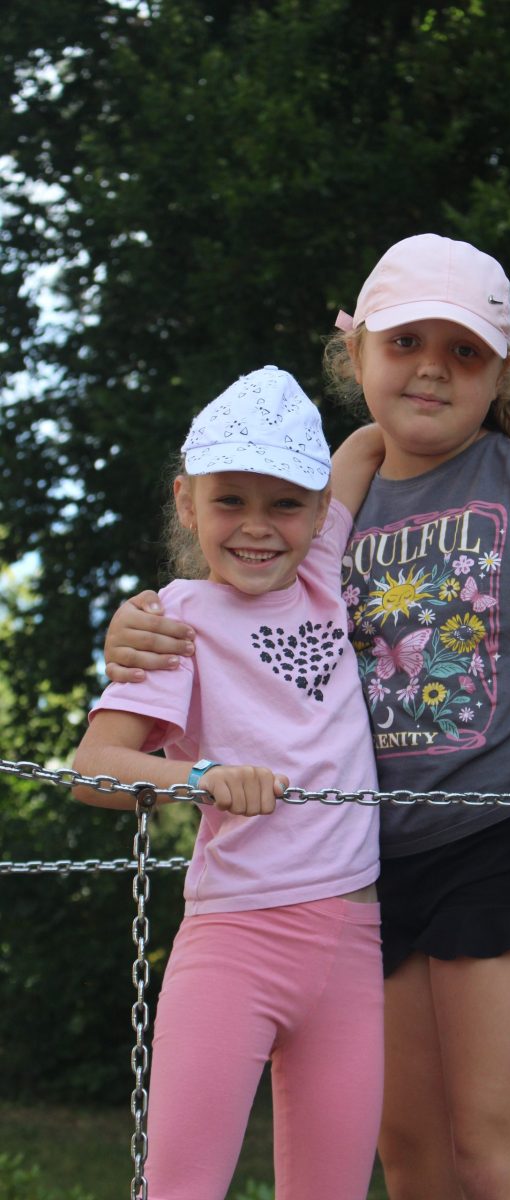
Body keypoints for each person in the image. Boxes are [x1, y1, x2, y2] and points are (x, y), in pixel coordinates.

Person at [104, 234, 510, 1200]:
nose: (432, 368)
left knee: (494, 1152)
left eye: (465, 352)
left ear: (501, 373)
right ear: (357, 354)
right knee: (415, 1163)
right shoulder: (325, 500)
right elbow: (232, 598)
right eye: (406, 342)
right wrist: (136, 624)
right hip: (371, 869)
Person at [72, 365, 389, 1200]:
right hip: (235, 941)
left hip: (353, 944)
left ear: (321, 511)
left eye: (284, 503)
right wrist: (203, 778)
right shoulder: (174, 621)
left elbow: (372, 437)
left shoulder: (324, 570)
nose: (257, 527)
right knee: (182, 1187)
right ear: (186, 502)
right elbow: (95, 769)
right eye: (229, 501)